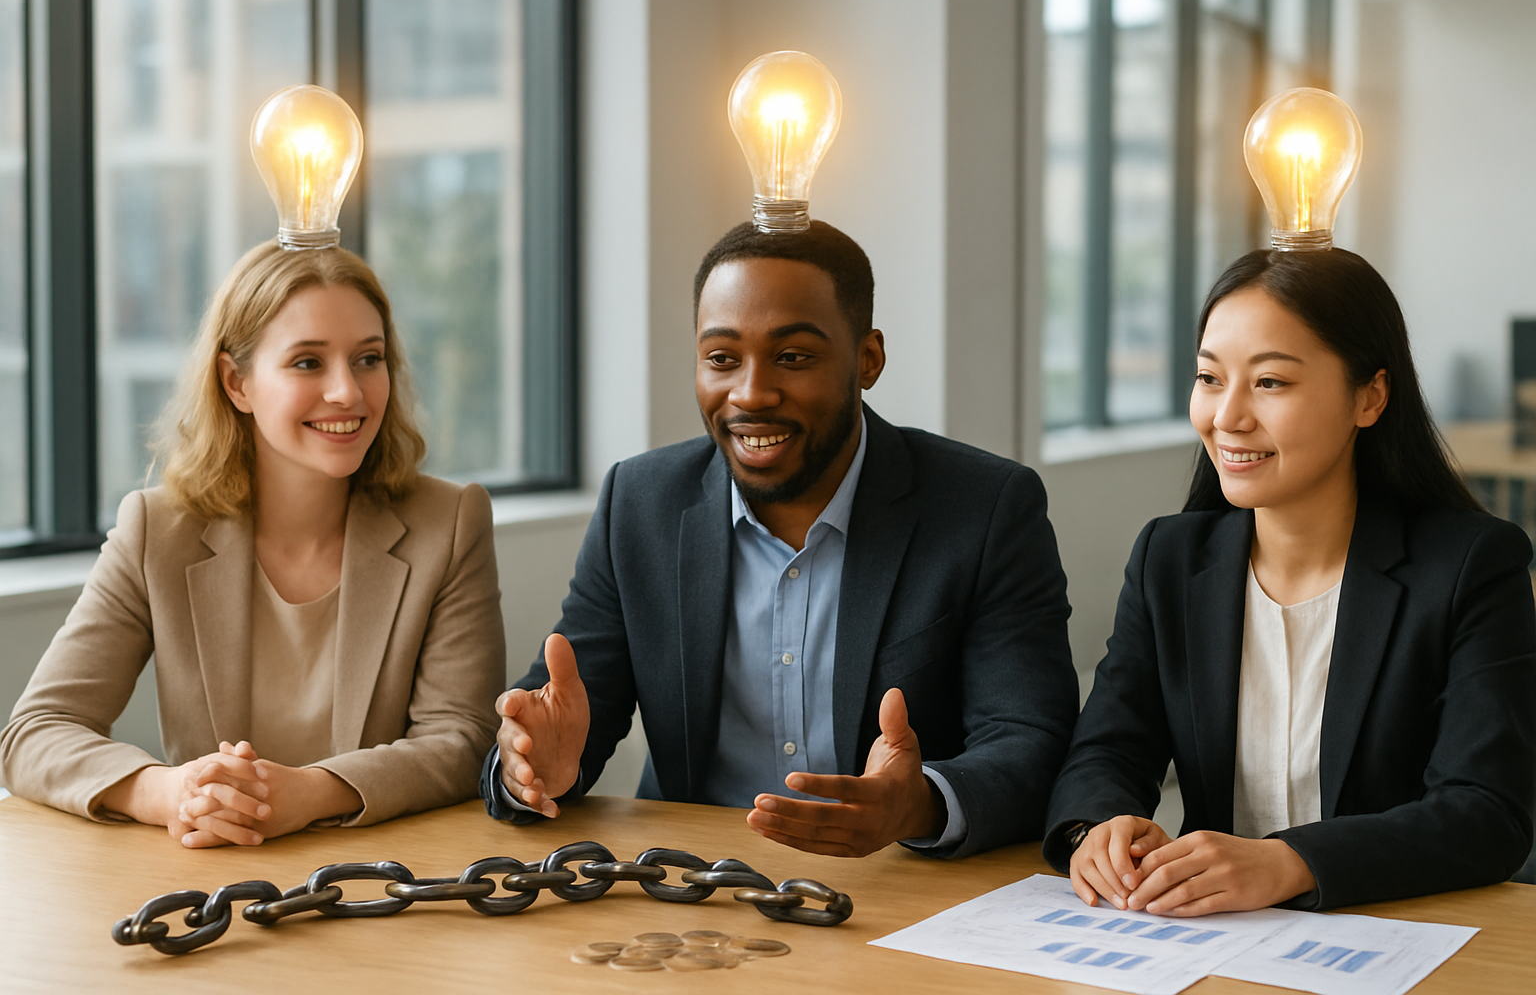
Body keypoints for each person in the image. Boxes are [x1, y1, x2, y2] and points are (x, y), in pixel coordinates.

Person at [481, 221, 1078, 859]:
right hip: (692, 889)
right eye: (722, 358)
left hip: (896, 888)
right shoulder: (641, 502)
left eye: (793, 357)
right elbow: (562, 713)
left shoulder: (985, 508)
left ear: (867, 359)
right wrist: (528, 768)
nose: (751, 393)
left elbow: (1031, 740)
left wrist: (920, 802)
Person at [1044, 247, 1536, 913]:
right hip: (1210, 940)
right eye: (1210, 378)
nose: (1228, 416)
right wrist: (1098, 827)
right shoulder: (1171, 558)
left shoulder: (1472, 565)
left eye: (1270, 383)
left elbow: (1487, 813)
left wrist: (1291, 862)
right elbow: (1109, 746)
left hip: (1395, 936)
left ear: (1370, 397)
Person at [1, 241, 505, 847]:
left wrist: (311, 791)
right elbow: (36, 731)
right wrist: (168, 792)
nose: (348, 391)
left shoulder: (449, 521)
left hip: (386, 881)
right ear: (237, 382)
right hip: (213, 882)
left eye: (368, 360)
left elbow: (461, 739)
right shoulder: (155, 532)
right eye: (307, 363)